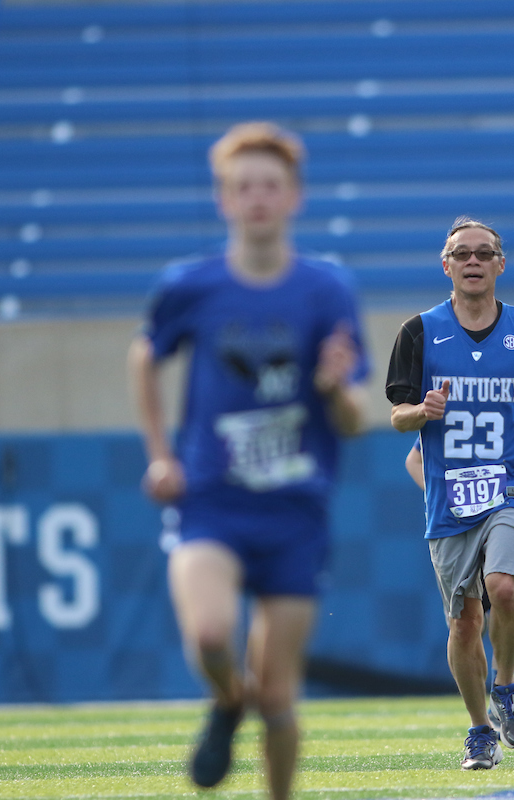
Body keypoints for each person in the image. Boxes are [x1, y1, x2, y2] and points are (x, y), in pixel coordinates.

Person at [128, 121, 368, 798]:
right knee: (210, 635)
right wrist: (160, 455)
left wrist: (334, 389)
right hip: (212, 501)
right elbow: (144, 355)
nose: (258, 197)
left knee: (280, 696)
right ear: (224, 199)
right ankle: (226, 699)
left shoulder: (328, 288)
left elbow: (354, 420)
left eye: (270, 185)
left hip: (295, 510)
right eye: (244, 186)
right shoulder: (191, 285)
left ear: (294, 196)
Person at [386, 217, 514, 770]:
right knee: (465, 622)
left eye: (484, 253)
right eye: (462, 254)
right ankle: (479, 730)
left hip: (512, 484)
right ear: (446, 265)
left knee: (504, 587)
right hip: (451, 497)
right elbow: (398, 416)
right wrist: (422, 411)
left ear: (501, 263)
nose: (473, 261)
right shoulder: (419, 332)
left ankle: (507, 686)